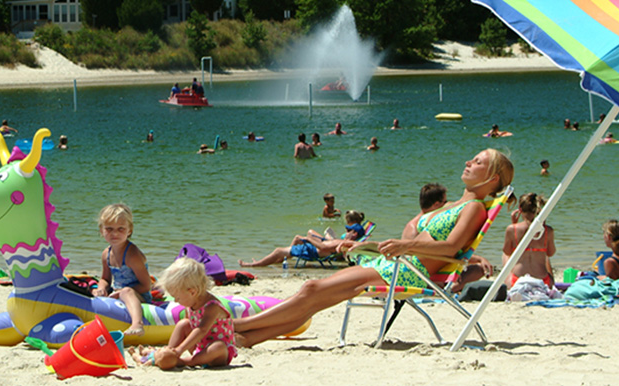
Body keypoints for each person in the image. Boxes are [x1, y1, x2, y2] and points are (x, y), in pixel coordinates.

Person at [232, 148, 514, 347]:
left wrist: (405, 245)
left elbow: (451, 249)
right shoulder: (453, 205)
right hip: (395, 264)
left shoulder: (474, 207)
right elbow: (420, 241)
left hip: (409, 272)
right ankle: (247, 339)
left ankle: (237, 327)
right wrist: (372, 246)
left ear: (492, 179)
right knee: (314, 296)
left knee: (311, 291)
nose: (468, 162)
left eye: (477, 162)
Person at [131, 257, 237, 369]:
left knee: (219, 346)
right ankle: (168, 353)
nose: (176, 301)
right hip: (200, 348)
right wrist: (174, 350)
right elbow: (189, 326)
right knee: (183, 324)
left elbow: (201, 330)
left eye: (177, 297)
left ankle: (184, 361)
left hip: (217, 354)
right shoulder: (190, 305)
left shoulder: (212, 306)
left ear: (192, 292)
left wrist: (180, 350)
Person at [93, 203, 153, 337]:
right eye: (109, 229)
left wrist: (121, 292)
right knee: (95, 292)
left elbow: (146, 285)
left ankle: (137, 324)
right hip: (117, 294)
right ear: (101, 230)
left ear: (129, 230)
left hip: (138, 296)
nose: (114, 233)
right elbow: (105, 278)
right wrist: (101, 288)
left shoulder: (133, 255)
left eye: (121, 229)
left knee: (126, 292)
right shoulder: (106, 254)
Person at [240, 211, 369, 268]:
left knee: (279, 250)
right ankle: (277, 261)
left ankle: (255, 264)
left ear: (354, 235)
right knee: (283, 250)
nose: (346, 232)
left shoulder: (342, 242)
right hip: (315, 250)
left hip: (312, 252)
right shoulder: (345, 242)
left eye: (349, 231)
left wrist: (309, 239)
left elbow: (323, 248)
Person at [502, 192, 556, 288]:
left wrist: (514, 224)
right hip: (544, 282)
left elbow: (507, 251)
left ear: (520, 209)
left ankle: (506, 281)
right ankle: (552, 284)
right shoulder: (548, 230)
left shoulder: (512, 229)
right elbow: (551, 253)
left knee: (505, 255)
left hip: (517, 281)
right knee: (545, 254)